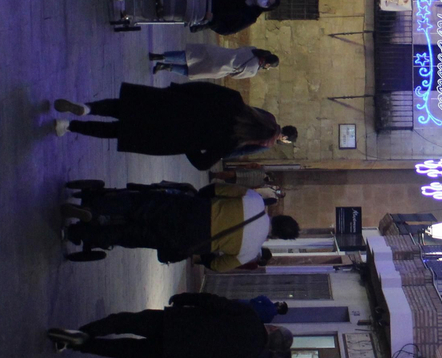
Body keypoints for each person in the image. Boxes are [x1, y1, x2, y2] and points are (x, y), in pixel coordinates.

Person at [48, 292, 295, 358]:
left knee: (126, 321)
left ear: (273, 330)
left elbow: (215, 303)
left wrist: (187, 298)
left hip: (176, 323)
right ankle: (80, 345)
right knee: (124, 350)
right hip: (175, 353)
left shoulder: (249, 316)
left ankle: (85, 331)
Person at [63, 180, 301, 267]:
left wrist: (201, 198)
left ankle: (93, 206)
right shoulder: (249, 252)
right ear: (279, 237)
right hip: (189, 240)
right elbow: (217, 266)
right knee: (134, 236)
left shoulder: (255, 200)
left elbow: (217, 188)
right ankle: (82, 233)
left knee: (140, 205)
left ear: (278, 215)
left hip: (192, 210)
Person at [52, 85, 296, 169]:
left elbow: (203, 88)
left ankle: (87, 108)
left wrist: (176, 92)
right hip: (167, 135)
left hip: (172, 106)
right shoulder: (231, 141)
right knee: (117, 132)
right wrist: (188, 144)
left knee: (122, 107)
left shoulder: (234, 100)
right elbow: (202, 164)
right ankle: (69, 125)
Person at [151, 45, 279, 80]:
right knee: (191, 71)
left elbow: (240, 49)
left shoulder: (253, 49)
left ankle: (160, 56)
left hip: (219, 53)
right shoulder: (252, 71)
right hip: (220, 68)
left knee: (189, 56)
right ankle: (165, 67)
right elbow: (235, 76)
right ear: (267, 65)